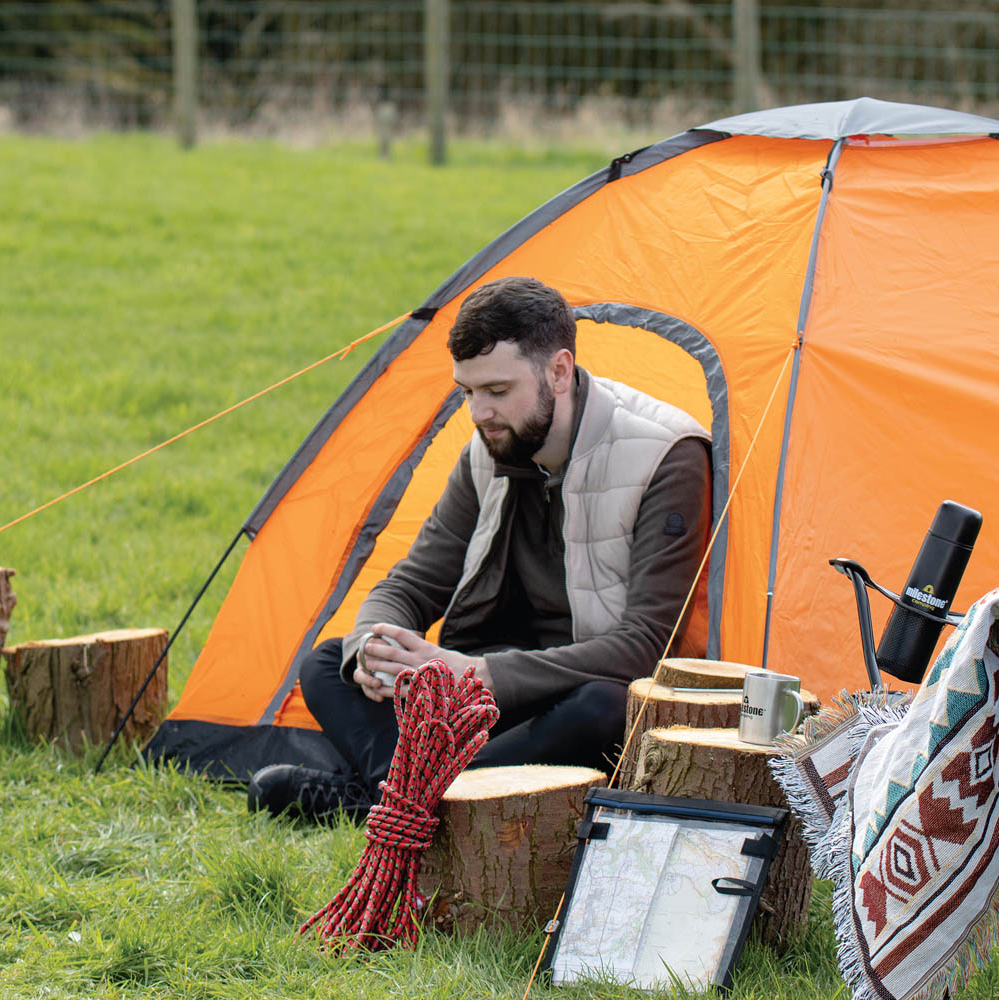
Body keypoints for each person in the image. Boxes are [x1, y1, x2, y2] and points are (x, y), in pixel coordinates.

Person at [248, 276, 712, 821]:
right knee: (330, 662)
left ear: (558, 372)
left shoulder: (666, 455)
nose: (477, 412)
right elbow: (413, 583)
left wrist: (477, 675)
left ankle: (385, 799)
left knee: (608, 709)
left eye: (496, 391)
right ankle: (437, 803)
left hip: (561, 696)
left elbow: (645, 645)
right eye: (467, 392)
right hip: (477, 702)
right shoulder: (490, 445)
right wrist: (376, 647)